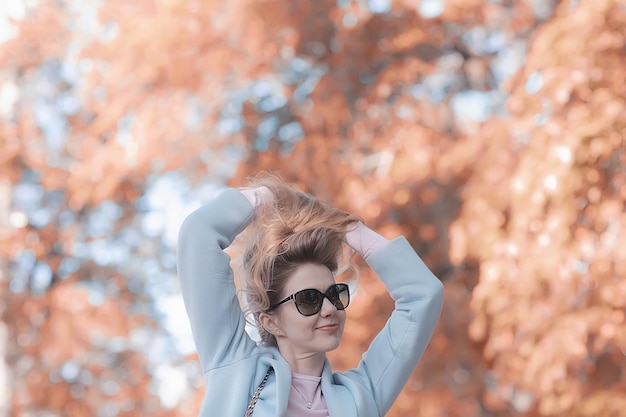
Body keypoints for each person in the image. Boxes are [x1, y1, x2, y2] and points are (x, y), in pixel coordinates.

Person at [177, 175, 444, 417]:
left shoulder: (361, 396)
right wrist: (268, 196)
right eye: (309, 300)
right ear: (271, 321)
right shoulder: (235, 368)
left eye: (334, 294)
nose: (329, 309)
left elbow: (423, 295)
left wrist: (346, 227)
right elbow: (198, 232)